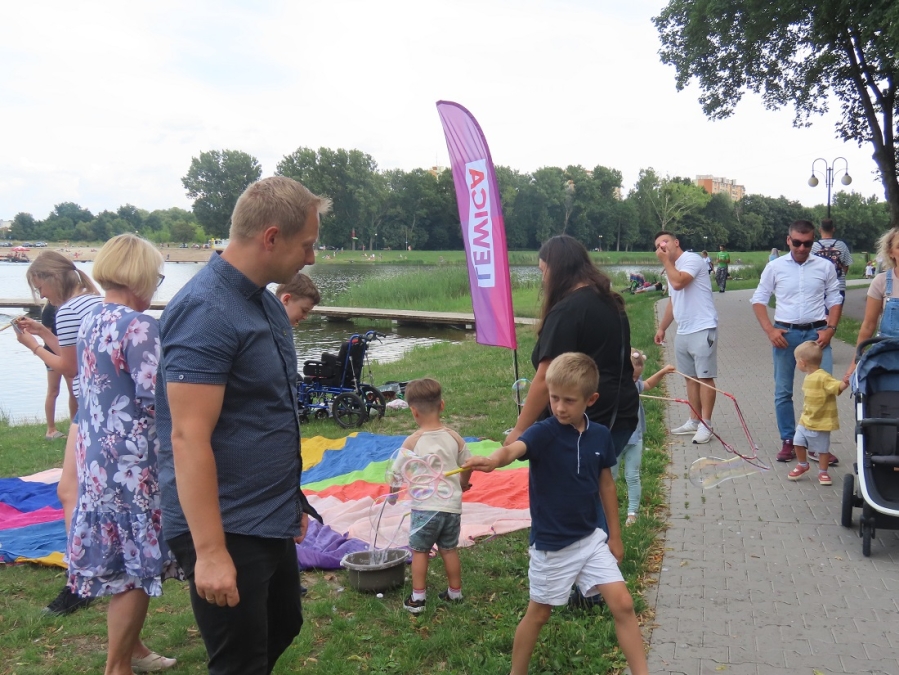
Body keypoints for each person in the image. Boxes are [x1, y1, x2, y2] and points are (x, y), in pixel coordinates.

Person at [156, 176, 331, 675]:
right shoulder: (206, 311)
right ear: (271, 238)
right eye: (307, 245)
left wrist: (292, 499)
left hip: (268, 510)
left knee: (284, 624)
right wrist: (210, 552)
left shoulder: (264, 302)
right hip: (226, 521)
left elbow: (268, 410)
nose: (311, 257)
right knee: (239, 662)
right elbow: (187, 437)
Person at [463, 353, 649, 675]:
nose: (560, 407)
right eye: (554, 398)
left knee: (623, 604)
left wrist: (615, 537)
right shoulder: (543, 432)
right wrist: (494, 460)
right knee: (539, 614)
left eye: (569, 400)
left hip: (591, 539)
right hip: (552, 546)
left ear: (591, 400)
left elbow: (606, 486)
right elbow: (513, 449)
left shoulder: (600, 435)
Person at [67, 234, 181, 674]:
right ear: (140, 276)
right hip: (133, 464)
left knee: (119, 556)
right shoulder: (139, 326)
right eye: (156, 277)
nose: (155, 285)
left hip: (97, 457)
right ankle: (118, 667)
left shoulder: (91, 319)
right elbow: (156, 397)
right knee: (136, 568)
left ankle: (133, 648)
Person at [14, 250, 102, 616]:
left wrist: (33, 346)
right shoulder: (94, 301)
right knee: (83, 492)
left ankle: (80, 579)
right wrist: (45, 332)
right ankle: (88, 571)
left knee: (70, 492)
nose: (42, 296)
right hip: (105, 405)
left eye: (41, 288)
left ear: (52, 279)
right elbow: (78, 354)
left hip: (91, 409)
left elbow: (69, 367)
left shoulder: (68, 311)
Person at [505, 235, 638, 472]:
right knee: (596, 484)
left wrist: (520, 430)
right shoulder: (611, 302)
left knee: (572, 490)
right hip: (621, 415)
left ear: (557, 269)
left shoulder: (567, 311)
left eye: (543, 271)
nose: (543, 280)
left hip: (586, 419)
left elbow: (546, 377)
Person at [750, 220, 842, 463]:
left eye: (808, 243)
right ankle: (789, 441)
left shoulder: (824, 266)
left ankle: (817, 446)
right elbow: (758, 299)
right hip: (785, 335)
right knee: (783, 391)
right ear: (788, 240)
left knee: (823, 390)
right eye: (797, 243)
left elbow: (835, 298)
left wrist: (831, 329)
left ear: (813, 242)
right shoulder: (775, 267)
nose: (802, 248)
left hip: (817, 336)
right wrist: (770, 330)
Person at [395, 378, 472, 614]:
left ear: (413, 411)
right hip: (451, 508)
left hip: (424, 510)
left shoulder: (412, 441)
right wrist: (463, 482)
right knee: (449, 549)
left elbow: (396, 472)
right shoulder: (454, 437)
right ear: (442, 405)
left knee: (420, 552)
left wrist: (392, 493)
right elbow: (468, 464)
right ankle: (455, 593)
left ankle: (418, 598)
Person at [653, 231, 719, 444]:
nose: (662, 247)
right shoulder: (671, 268)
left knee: (704, 377)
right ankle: (694, 420)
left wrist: (666, 262)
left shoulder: (692, 260)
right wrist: (662, 328)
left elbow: (679, 283)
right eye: (658, 246)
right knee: (689, 377)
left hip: (703, 327)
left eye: (665, 242)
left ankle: (706, 424)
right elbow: (673, 300)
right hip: (683, 330)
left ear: (676, 242)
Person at [612, 351, 675, 525]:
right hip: (614, 440)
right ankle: (606, 511)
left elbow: (647, 384)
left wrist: (663, 371)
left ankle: (632, 512)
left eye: (637, 377)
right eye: (632, 377)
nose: (635, 380)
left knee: (632, 477)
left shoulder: (634, 385)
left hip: (634, 439)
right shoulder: (613, 388)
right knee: (610, 477)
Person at [787, 341, 848, 486]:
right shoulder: (809, 376)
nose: (796, 364)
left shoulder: (823, 377)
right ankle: (802, 464)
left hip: (822, 421)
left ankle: (823, 472)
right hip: (806, 419)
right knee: (797, 442)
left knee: (822, 450)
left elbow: (836, 386)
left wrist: (845, 382)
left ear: (803, 362)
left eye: (796, 361)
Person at [844, 227, 899, 382]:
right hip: (887, 357)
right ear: (891, 252)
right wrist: (854, 363)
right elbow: (868, 325)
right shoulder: (881, 282)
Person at [40, 302, 75, 440]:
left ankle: (74, 425)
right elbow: (45, 334)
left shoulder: (68, 305)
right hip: (52, 353)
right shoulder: (49, 309)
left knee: (73, 390)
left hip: (68, 352)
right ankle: (51, 430)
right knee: (54, 390)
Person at [811, 217, 853, 301]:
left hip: (819, 286)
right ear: (833, 229)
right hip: (838, 286)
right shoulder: (841, 245)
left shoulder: (814, 246)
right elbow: (846, 265)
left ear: (820, 230)